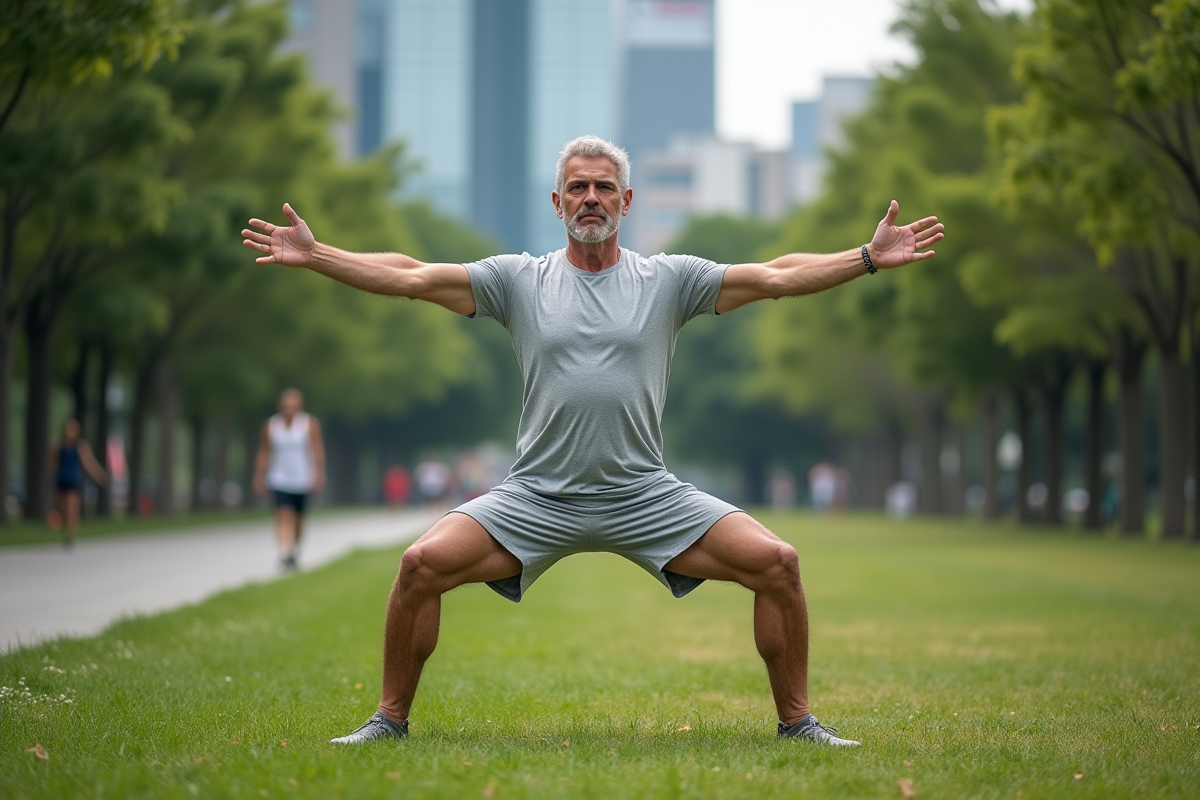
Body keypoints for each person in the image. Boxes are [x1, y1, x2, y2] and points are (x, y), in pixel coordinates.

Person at [242, 135, 943, 747]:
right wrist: (319, 255)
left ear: (626, 200)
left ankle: (798, 724)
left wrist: (866, 257)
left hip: (645, 495)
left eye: (603, 187)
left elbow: (775, 277)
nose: (589, 197)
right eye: (576, 186)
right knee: (421, 566)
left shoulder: (668, 280)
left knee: (778, 564)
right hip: (536, 497)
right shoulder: (519, 280)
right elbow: (414, 277)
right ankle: (388, 721)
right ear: (556, 202)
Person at [253, 389, 326, 571]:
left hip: (302, 478)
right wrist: (259, 475)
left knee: (299, 519)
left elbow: (316, 449)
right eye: (286, 406)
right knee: (283, 514)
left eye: (293, 406)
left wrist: (318, 472)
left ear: (299, 407)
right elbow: (265, 451)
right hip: (279, 478)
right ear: (280, 407)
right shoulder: (271, 426)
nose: (289, 410)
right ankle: (285, 553)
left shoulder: (308, 424)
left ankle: (295, 549)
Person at [48, 419, 108, 548]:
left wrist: (99, 475)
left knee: (71, 508)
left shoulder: (80, 446)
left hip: (74, 480)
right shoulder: (57, 445)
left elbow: (89, 463)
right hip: (61, 479)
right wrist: (49, 478)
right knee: (63, 509)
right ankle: (66, 529)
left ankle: (69, 536)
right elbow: (52, 464)